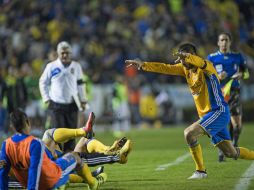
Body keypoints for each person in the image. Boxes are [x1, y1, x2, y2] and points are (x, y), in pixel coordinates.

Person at [125, 43, 254, 179]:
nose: (182, 62)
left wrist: (189, 57)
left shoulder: (206, 67)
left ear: (193, 56)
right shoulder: (185, 69)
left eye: (185, 58)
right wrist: (143, 64)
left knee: (189, 133)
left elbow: (199, 61)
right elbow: (165, 68)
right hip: (208, 115)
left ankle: (200, 171)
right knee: (231, 153)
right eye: (180, 58)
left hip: (218, 111)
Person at [0, 109, 103, 190]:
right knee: (75, 157)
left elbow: (3, 173)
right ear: (28, 122)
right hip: (49, 180)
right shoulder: (35, 143)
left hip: (27, 182)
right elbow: (35, 170)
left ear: (11, 126)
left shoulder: (5, 145)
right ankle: (93, 183)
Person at [207, 32, 249, 162]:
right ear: (218, 43)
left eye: (226, 40)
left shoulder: (237, 57)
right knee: (222, 123)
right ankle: (222, 150)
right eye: (222, 40)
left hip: (234, 93)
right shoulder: (212, 58)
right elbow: (205, 76)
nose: (224, 42)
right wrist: (217, 77)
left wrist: (241, 75)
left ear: (230, 42)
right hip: (218, 94)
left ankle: (234, 145)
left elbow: (246, 73)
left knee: (237, 125)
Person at [39, 41, 87, 152]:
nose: (65, 55)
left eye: (67, 53)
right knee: (58, 134)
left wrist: (83, 99)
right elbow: (42, 82)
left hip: (72, 104)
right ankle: (59, 161)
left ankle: (69, 160)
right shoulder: (51, 66)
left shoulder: (76, 66)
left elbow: (80, 83)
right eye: (62, 53)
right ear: (58, 53)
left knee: (71, 134)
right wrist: (46, 98)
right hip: (56, 105)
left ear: (71, 53)